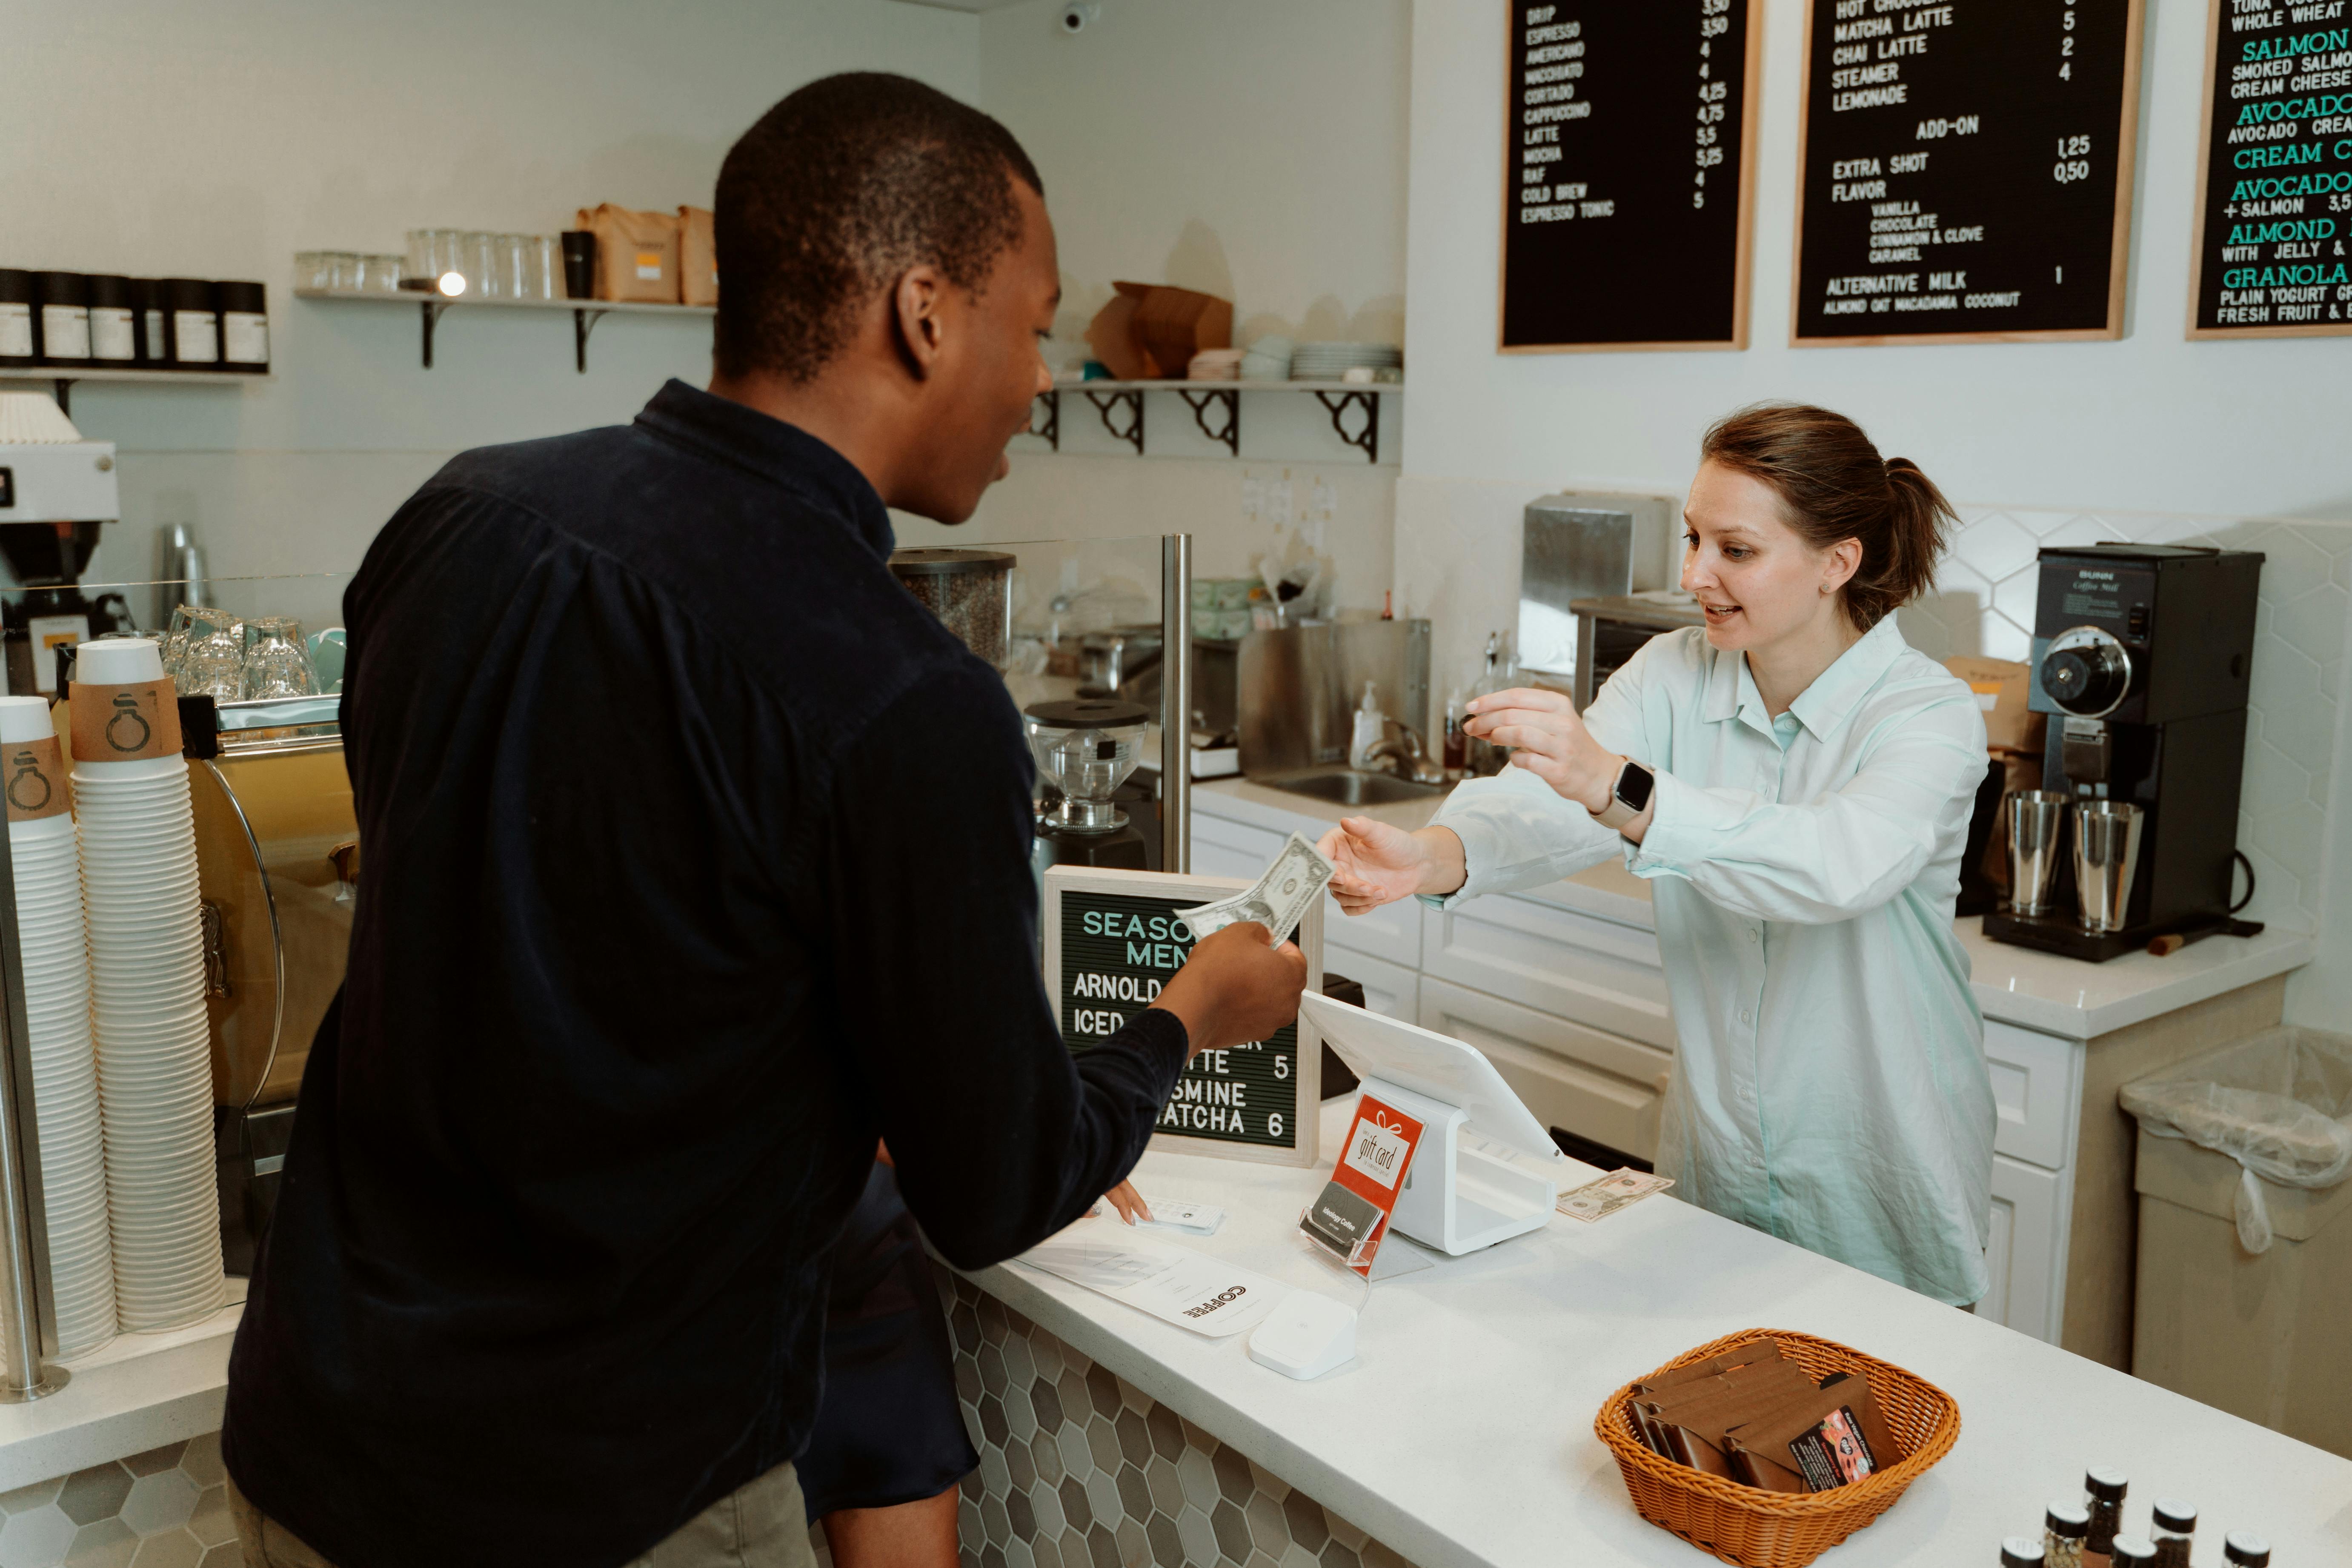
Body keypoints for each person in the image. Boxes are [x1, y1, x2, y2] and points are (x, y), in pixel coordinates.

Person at [222, 73, 1306, 1568]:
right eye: (1036, 321)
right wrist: (1188, 1012)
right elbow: (991, 1186)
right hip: (605, 1499)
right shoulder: (899, 694)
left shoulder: (461, 518)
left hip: (314, 1436)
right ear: (926, 313)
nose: (1042, 376)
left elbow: (559, 935)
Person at [1319, 403, 1997, 1308]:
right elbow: (1550, 800)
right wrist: (1430, 856)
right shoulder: (1676, 673)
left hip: (1879, 1181)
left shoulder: (1927, 713)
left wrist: (1622, 788)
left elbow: (1838, 863)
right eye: (1693, 540)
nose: (1694, 575)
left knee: (1872, 1438)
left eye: (1736, 550)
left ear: (1839, 563)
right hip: (1719, 1168)